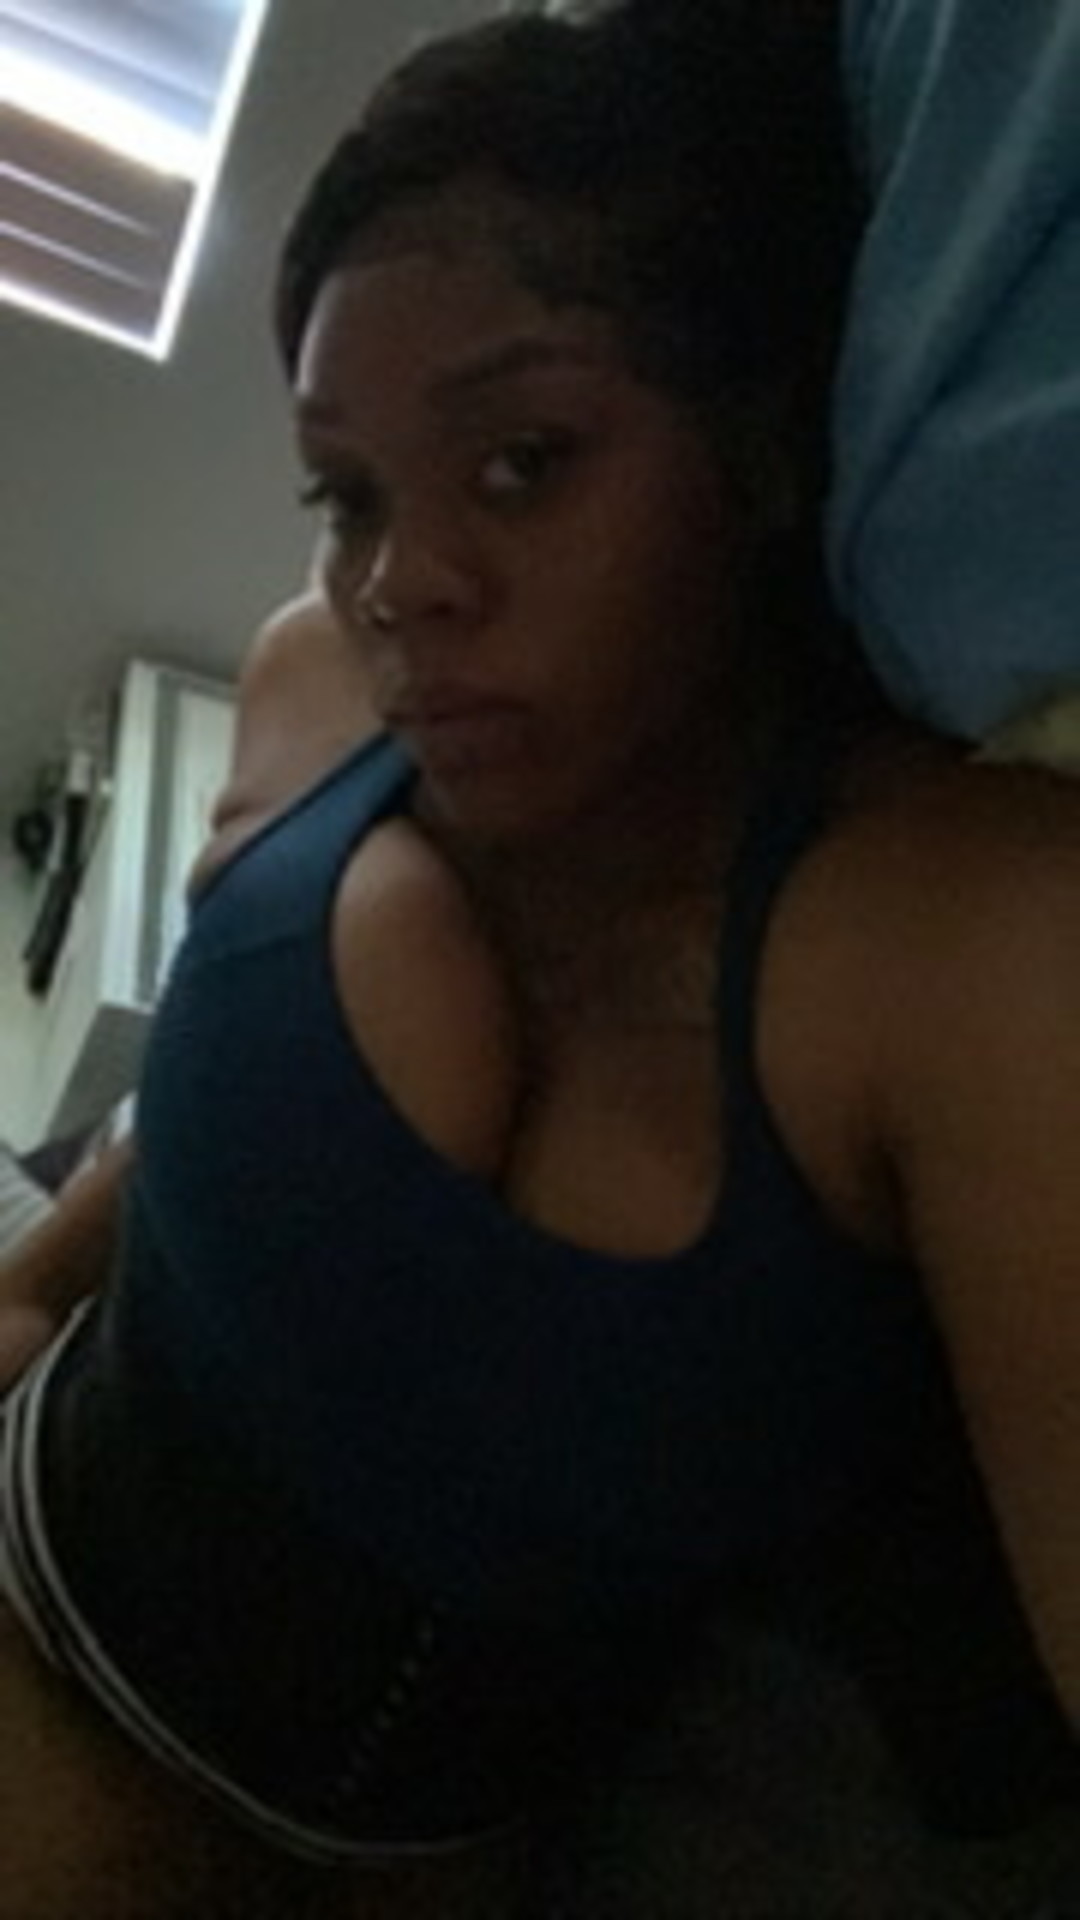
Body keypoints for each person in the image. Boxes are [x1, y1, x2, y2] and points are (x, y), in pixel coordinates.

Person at [0, 8, 1076, 1918]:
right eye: (348, 494)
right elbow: (185, 1145)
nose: (399, 580)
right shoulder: (319, 686)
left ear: (757, 448)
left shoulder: (951, 947)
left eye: (519, 461)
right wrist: (21, 1289)